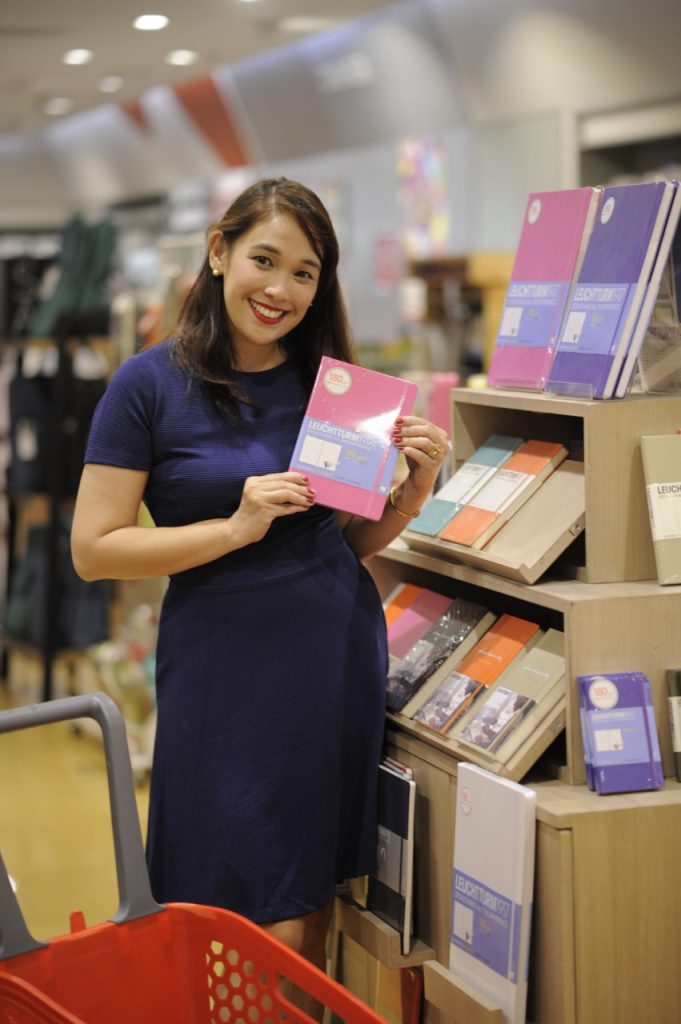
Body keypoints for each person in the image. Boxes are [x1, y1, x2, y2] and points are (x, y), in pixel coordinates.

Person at [70, 177, 448, 1002]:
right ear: (219, 253)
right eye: (264, 260)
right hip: (223, 668)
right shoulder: (147, 384)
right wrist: (233, 529)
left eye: (304, 273)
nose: (280, 290)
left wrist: (411, 494)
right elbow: (93, 550)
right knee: (229, 896)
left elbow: (345, 542)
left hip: (330, 660)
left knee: (306, 898)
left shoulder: (334, 389)